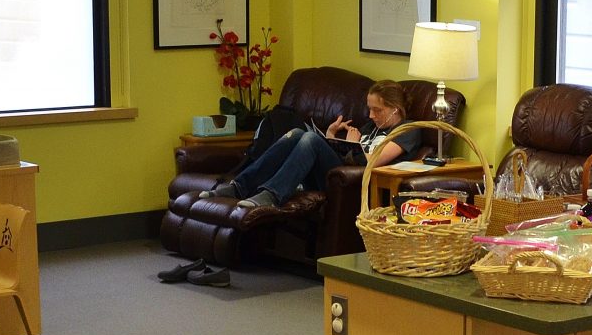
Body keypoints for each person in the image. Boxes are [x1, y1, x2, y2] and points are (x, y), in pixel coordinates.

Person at [161, 82, 416, 287]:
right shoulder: (372, 126)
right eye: (369, 109)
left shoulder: (407, 131)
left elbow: (372, 161)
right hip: (334, 169)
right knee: (296, 134)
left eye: (377, 110)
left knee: (308, 140)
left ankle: (271, 194)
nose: (370, 115)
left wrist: (353, 142)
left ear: (395, 109)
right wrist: (331, 135)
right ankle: (240, 186)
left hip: (353, 182)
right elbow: (343, 150)